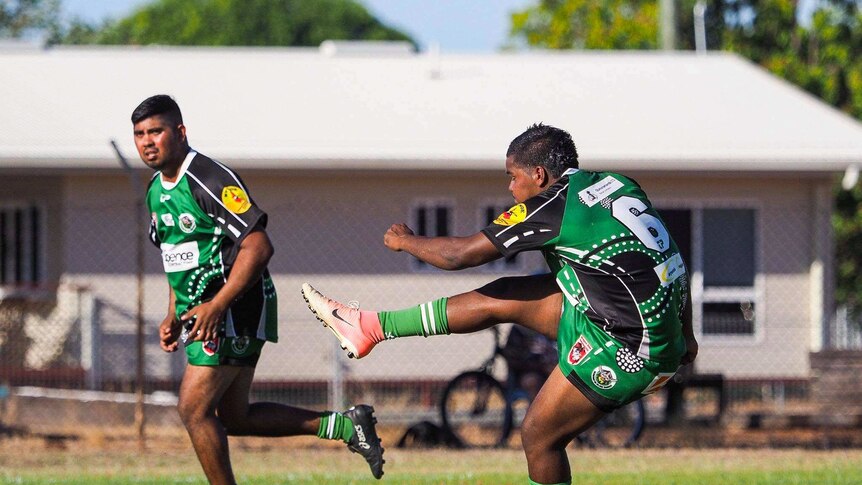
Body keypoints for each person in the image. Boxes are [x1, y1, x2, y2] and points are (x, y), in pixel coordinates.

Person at [302, 123, 697, 485]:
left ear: (538, 176)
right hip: (635, 323)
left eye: (513, 176)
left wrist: (406, 241)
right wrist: (688, 334)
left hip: (629, 350)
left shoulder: (551, 204)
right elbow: (672, 261)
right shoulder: (616, 183)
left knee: (539, 437)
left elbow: (460, 255)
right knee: (504, 295)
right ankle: (369, 326)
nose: (511, 188)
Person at [133, 94, 384, 484]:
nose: (148, 141)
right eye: (140, 134)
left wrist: (217, 305)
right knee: (235, 417)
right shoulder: (154, 190)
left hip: (234, 308)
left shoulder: (208, 178)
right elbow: (176, 255)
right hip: (209, 312)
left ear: (180, 132)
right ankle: (345, 426)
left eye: (156, 131)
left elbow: (259, 245)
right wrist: (172, 312)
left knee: (193, 410)